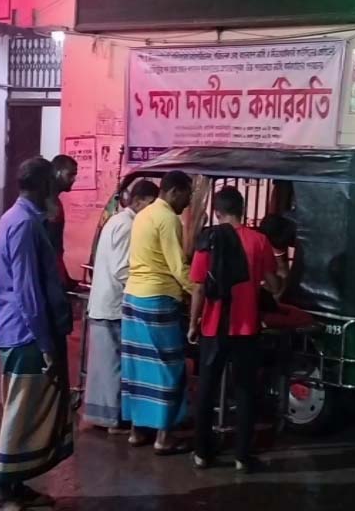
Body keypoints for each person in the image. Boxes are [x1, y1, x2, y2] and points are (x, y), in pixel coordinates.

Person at [0, 157, 74, 509]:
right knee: (21, 411)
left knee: (28, 410)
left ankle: (16, 483)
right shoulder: (23, 224)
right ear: (44, 186)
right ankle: (4, 488)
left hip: (21, 331)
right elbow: (28, 291)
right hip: (25, 334)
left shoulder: (19, 218)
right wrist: (46, 345)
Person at [189, 186, 282, 473]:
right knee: (244, 391)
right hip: (246, 328)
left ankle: (202, 453)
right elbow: (274, 285)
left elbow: (198, 287)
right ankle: (242, 456)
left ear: (217, 212)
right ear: (242, 210)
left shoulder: (209, 239)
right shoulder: (259, 240)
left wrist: (193, 323)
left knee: (206, 390)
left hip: (213, 326)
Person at [121, 170, 194, 455]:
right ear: (174, 191)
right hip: (158, 299)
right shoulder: (168, 218)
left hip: (133, 297)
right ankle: (164, 437)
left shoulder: (143, 215)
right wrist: (198, 289)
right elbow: (177, 266)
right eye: (187, 195)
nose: (188, 202)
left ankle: (137, 431)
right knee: (169, 367)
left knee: (139, 366)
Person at [84, 180, 160, 432]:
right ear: (137, 201)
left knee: (105, 365)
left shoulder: (117, 222)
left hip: (106, 302)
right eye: (150, 204)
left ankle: (104, 416)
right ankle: (114, 419)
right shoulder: (128, 226)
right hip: (113, 304)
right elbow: (122, 269)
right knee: (113, 365)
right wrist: (145, 286)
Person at [46, 154, 78, 290]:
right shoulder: (50, 203)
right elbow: (52, 248)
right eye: (70, 174)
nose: (74, 179)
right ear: (58, 173)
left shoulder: (53, 201)